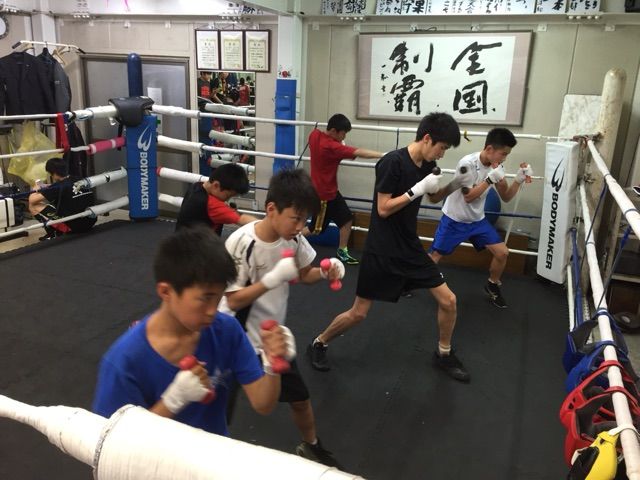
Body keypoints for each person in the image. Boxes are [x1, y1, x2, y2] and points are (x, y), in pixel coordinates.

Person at [307, 112, 472, 383]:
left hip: (409, 246)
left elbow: (432, 196)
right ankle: (319, 342)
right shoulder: (392, 163)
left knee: (449, 300)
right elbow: (383, 209)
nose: (442, 154)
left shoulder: (427, 165)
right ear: (427, 138)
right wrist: (417, 189)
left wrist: (455, 184)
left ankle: (444, 354)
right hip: (382, 248)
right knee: (359, 313)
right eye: (441, 148)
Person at [92, 227, 293, 437]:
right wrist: (173, 401)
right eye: (205, 298)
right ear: (166, 292)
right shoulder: (124, 361)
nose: (213, 311)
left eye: (218, 298)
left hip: (213, 452)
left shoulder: (227, 330)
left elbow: (263, 404)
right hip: (157, 458)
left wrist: (272, 363)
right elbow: (113, 442)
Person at [218, 168, 345, 468]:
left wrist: (326, 272)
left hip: (272, 339)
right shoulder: (242, 243)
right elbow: (232, 299)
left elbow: (304, 274)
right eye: (295, 218)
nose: (300, 227)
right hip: (233, 338)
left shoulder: (294, 239)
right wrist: (273, 278)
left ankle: (311, 445)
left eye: (305, 221)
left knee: (300, 399)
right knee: (218, 407)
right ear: (271, 209)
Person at [429, 128, 533, 309]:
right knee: (435, 256)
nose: (504, 159)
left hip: (477, 221)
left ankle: (492, 285)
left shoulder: (496, 166)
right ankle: (407, 281)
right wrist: (490, 180)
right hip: (455, 220)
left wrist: (518, 180)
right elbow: (468, 197)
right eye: (503, 154)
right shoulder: (467, 164)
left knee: (502, 253)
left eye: (507, 155)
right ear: (490, 149)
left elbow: (506, 196)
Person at [303, 114, 385, 265]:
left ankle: (342, 251)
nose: (344, 136)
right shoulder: (332, 147)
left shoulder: (314, 135)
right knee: (315, 229)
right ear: (334, 131)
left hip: (332, 192)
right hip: (323, 195)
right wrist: (383, 155)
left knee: (346, 219)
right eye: (343, 133)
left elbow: (324, 140)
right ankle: (288, 239)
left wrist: (338, 142)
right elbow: (359, 152)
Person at [175, 163, 257, 234]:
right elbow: (242, 219)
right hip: (200, 246)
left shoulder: (196, 186)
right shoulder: (211, 204)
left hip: (179, 242)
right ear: (216, 185)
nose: (227, 200)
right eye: (228, 196)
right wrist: (264, 226)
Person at [28, 157, 96, 241]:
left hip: (75, 227)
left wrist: (35, 188)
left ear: (54, 173)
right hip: (91, 221)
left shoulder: (58, 187)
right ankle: (57, 230)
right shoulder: (80, 179)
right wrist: (49, 187)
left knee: (33, 206)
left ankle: (52, 234)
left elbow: (32, 200)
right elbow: (65, 186)